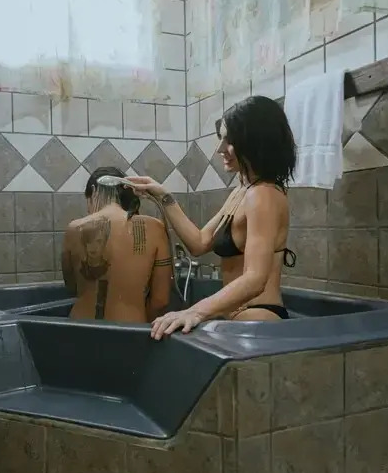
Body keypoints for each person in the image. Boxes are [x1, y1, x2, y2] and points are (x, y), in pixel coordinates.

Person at [126, 95, 297, 339]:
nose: (220, 149)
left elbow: (255, 278)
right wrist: (163, 196)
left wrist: (195, 311)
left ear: (254, 141)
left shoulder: (264, 195)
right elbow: (199, 243)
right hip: (238, 315)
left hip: (259, 315)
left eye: (230, 140)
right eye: (221, 139)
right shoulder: (242, 191)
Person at [61, 166, 173, 323]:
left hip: (79, 326)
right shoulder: (154, 227)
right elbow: (160, 300)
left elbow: (72, 287)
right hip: (129, 329)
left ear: (94, 190)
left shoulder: (73, 228)